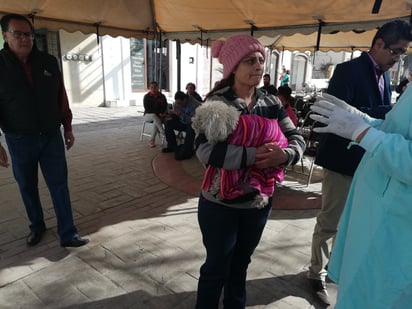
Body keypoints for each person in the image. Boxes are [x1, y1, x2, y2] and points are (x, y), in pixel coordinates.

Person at [194, 34, 305, 309]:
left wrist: (285, 155)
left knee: (240, 265)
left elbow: (296, 138)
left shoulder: (272, 103)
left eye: (261, 60)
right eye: (250, 61)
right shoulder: (217, 104)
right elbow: (206, 152)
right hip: (220, 205)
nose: (258, 66)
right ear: (233, 66)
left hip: (257, 203)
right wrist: (256, 156)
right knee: (216, 268)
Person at [307, 19, 412, 305]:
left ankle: (332, 269)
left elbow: (384, 121)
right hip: (344, 160)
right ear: (379, 44)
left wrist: (367, 122)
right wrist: (366, 122)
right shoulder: (347, 69)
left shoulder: (385, 74)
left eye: (403, 53)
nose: (398, 59)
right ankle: (316, 271)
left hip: (374, 161)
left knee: (348, 222)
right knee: (330, 218)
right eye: (396, 52)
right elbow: (337, 114)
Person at [0, 14, 89, 247]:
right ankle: (37, 226)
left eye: (28, 34)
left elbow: (61, 98)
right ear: (5, 35)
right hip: (19, 139)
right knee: (27, 187)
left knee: (59, 185)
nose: (24, 39)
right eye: (17, 33)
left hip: (51, 136)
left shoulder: (48, 62)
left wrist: (68, 128)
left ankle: (68, 233)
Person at [162, 90, 200, 160]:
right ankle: (172, 146)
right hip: (181, 122)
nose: (178, 105)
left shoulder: (194, 105)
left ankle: (187, 151)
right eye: (177, 103)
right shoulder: (176, 103)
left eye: (180, 103)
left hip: (193, 123)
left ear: (185, 99)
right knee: (168, 122)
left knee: (191, 127)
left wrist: (181, 114)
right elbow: (175, 114)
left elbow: (194, 120)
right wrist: (170, 113)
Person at [143, 81, 168, 147]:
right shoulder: (146, 97)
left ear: (158, 88)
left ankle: (151, 141)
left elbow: (165, 106)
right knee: (154, 116)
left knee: (156, 122)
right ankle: (163, 132)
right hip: (148, 115)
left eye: (155, 87)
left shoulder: (162, 96)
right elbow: (147, 109)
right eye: (151, 87)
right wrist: (158, 113)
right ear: (149, 88)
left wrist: (162, 113)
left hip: (159, 116)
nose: (153, 89)